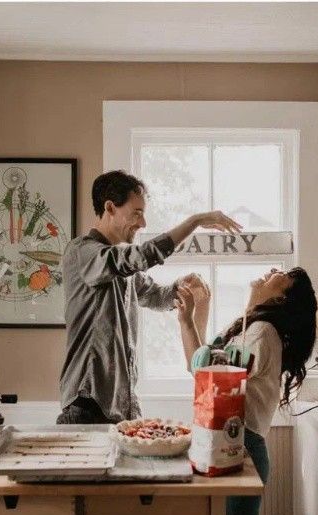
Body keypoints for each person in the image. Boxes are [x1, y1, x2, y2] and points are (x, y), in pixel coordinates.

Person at [176, 267, 317, 515]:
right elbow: (200, 368)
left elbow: (225, 373)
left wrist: (249, 303)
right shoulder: (254, 328)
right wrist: (189, 319)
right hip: (224, 445)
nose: (272, 271)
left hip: (244, 450)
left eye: (281, 275)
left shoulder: (264, 332)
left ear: (282, 297)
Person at [58, 169, 242, 426]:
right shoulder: (84, 253)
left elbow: (157, 296)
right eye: (137, 213)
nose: (143, 223)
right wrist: (194, 222)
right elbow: (140, 257)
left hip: (119, 406)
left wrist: (181, 285)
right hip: (87, 404)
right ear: (110, 207)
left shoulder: (122, 267)